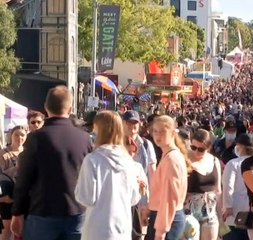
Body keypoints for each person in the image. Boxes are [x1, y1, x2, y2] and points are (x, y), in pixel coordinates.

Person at [10, 86, 93, 240]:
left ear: (46, 107)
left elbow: (24, 178)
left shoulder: (36, 138)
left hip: (42, 211)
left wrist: (17, 212)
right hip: (77, 212)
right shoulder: (84, 139)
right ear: (69, 109)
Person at [74, 111, 146, 240]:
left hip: (97, 230)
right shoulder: (129, 161)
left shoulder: (92, 160)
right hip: (122, 229)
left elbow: (86, 197)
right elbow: (134, 198)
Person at [145, 115, 191, 240]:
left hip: (167, 219)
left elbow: (169, 198)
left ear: (172, 133)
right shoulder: (169, 155)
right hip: (164, 216)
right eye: (155, 131)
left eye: (163, 131)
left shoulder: (172, 159)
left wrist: (161, 230)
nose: (158, 135)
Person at [185, 129, 222, 240]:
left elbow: (218, 190)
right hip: (189, 212)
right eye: (193, 147)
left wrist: (220, 217)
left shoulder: (215, 161)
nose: (196, 152)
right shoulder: (185, 159)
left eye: (201, 149)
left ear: (208, 148)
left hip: (210, 212)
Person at [222, 134, 253, 240]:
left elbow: (228, 187)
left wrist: (227, 207)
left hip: (235, 213)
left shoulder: (233, 164)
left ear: (240, 146)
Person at [0, 126, 27, 240]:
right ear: (11, 135)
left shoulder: (28, 152)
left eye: (22, 135)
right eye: (16, 134)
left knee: (21, 231)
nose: (19, 137)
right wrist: (16, 168)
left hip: (23, 196)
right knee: (6, 230)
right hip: (7, 197)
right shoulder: (3, 153)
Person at [123, 110, 157, 181]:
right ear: (122, 124)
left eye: (135, 122)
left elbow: (152, 172)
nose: (132, 125)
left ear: (139, 124)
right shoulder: (117, 144)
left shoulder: (146, 144)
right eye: (129, 122)